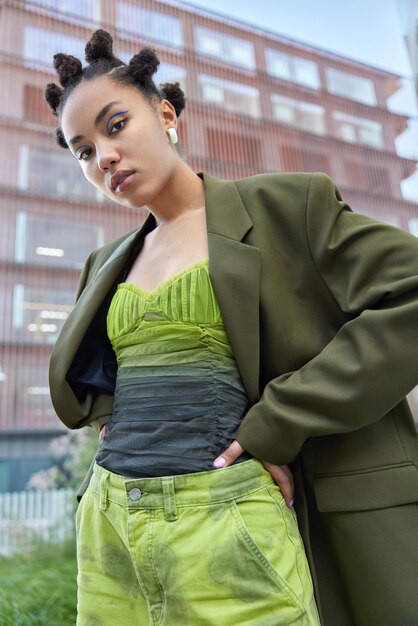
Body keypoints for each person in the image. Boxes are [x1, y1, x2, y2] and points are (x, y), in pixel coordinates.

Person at [45, 29, 418, 626]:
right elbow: (97, 382)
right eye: (83, 150)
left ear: (165, 114)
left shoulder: (287, 207)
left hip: (236, 522)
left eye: (115, 126)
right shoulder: (104, 263)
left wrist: (280, 422)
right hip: (113, 527)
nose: (104, 157)